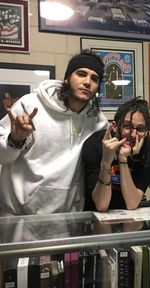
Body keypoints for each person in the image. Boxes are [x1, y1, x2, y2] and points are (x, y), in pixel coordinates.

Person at [0, 50, 108, 215]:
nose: (87, 82)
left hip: (68, 217)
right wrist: (15, 139)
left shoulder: (98, 121)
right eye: (81, 74)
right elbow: (2, 157)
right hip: (21, 217)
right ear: (67, 78)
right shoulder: (29, 105)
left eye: (94, 78)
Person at [82, 98, 150, 211]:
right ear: (115, 126)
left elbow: (132, 203)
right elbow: (101, 205)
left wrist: (123, 159)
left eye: (140, 129)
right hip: (95, 216)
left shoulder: (149, 151)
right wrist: (106, 163)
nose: (133, 134)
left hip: (128, 215)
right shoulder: (95, 144)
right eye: (127, 126)